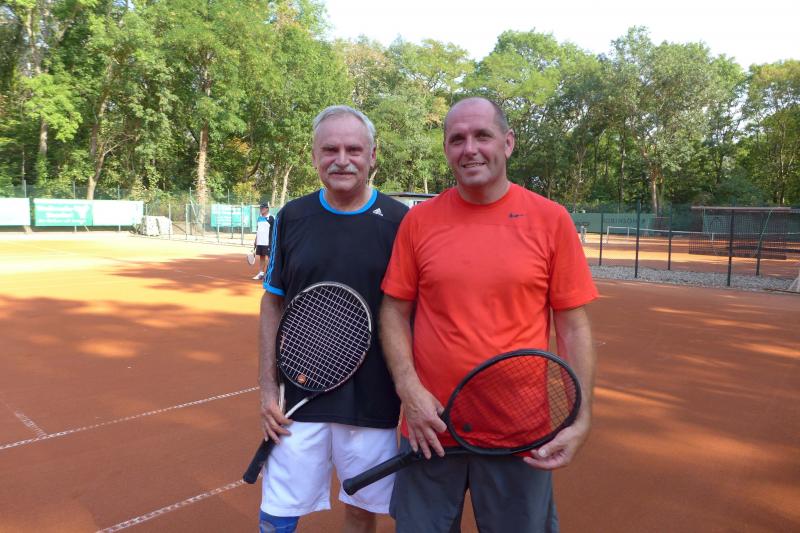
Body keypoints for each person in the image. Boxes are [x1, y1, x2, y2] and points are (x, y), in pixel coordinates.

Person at [379, 97, 598, 532]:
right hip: (431, 428)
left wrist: (583, 415)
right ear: (446, 149)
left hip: (518, 435)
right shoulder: (419, 222)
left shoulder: (551, 220)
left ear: (508, 143)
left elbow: (573, 327)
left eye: (482, 136)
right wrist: (409, 389)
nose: (470, 149)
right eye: (457, 139)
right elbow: (393, 311)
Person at [258, 105, 409, 533]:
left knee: (362, 508)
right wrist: (268, 387)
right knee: (278, 509)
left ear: (373, 155)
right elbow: (272, 303)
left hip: (373, 399)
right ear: (314, 156)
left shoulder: (402, 222)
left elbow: (409, 313)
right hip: (299, 394)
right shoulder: (292, 217)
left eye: (354, 149)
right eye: (330, 149)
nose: (342, 159)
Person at [253, 203, 274, 280]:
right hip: (260, 241)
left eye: (263, 208)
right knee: (262, 257)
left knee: (270, 258)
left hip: (268, 242)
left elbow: (274, 231)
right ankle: (261, 274)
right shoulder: (259, 218)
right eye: (260, 208)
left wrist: (273, 241)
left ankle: (270, 274)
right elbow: (258, 230)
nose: (261, 209)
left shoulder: (271, 218)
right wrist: (256, 240)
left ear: (267, 209)